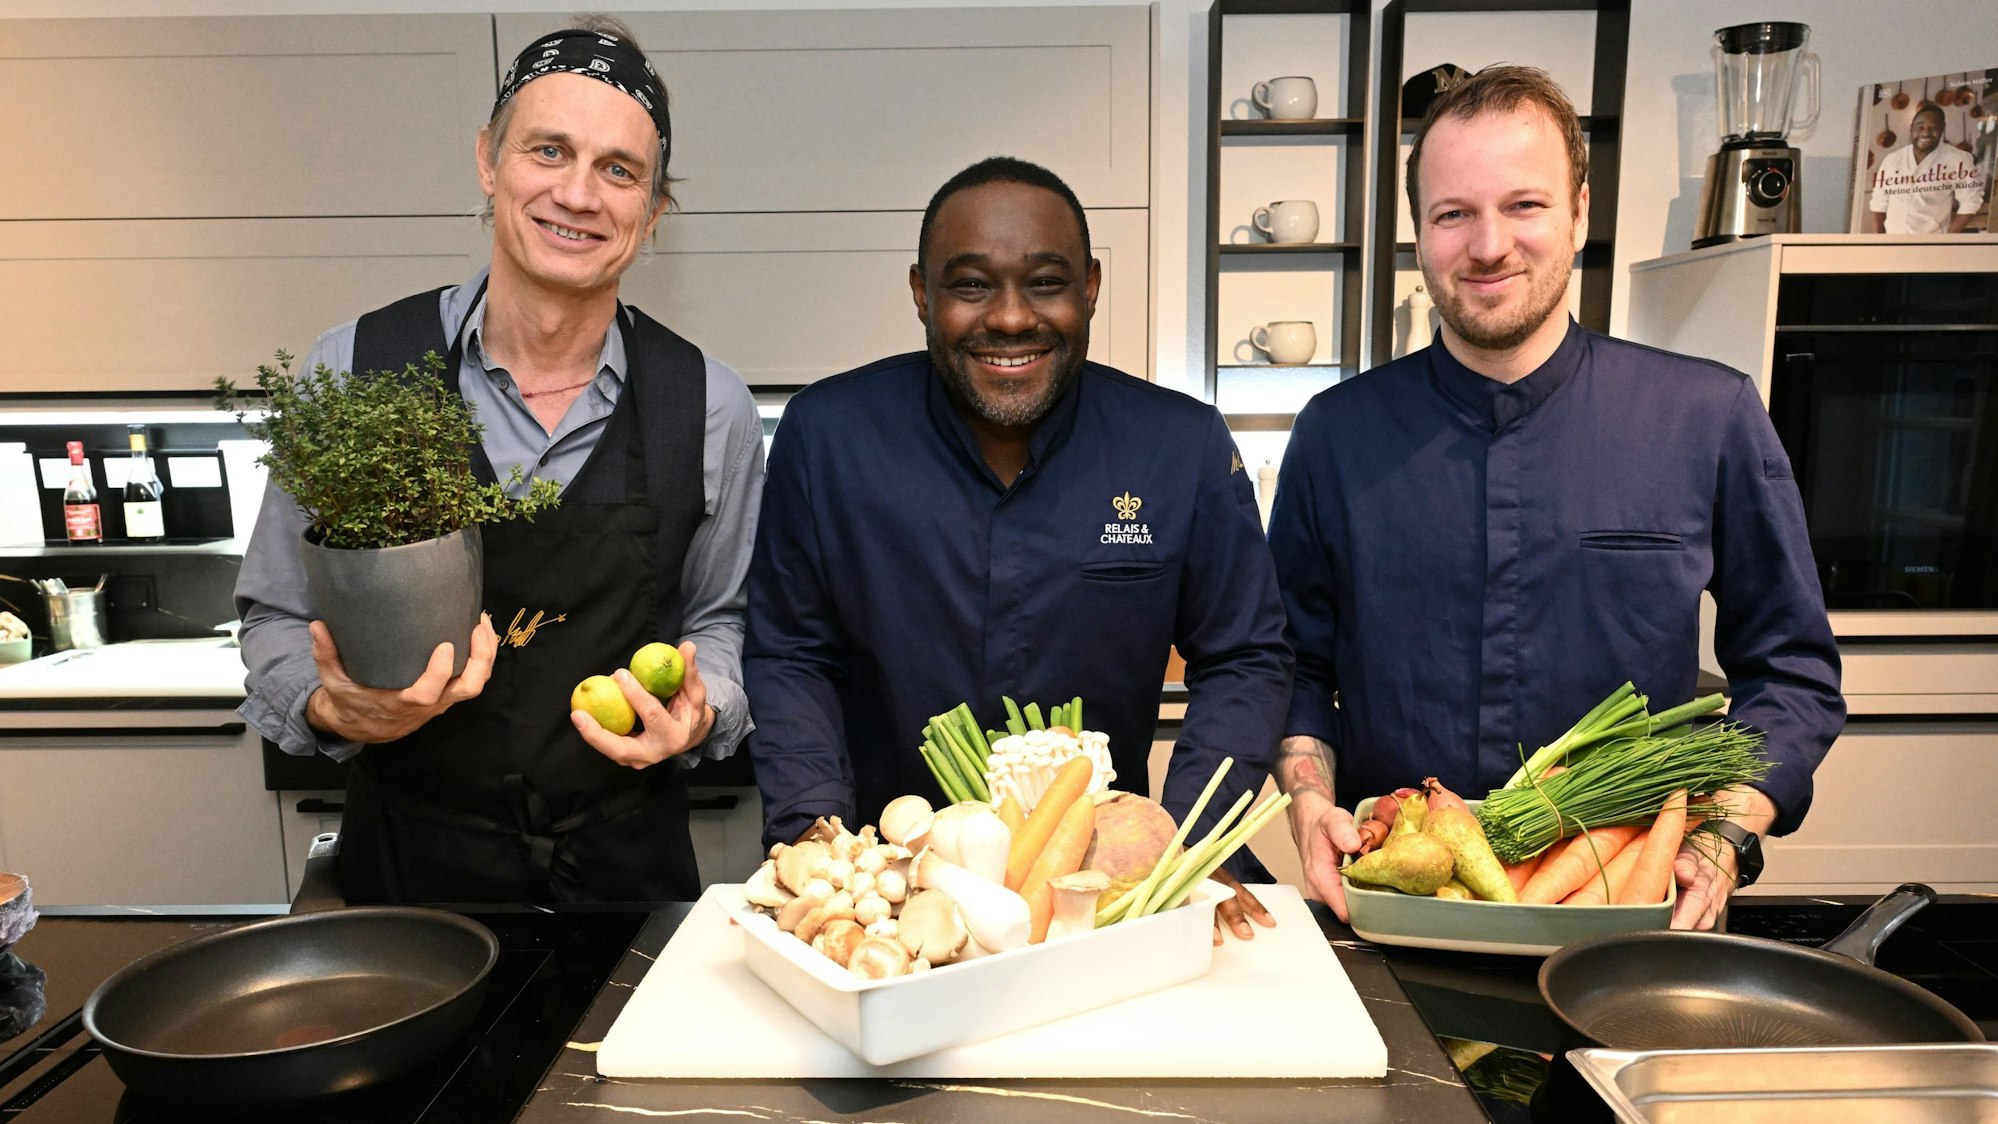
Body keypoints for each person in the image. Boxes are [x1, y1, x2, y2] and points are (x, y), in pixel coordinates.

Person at [1266, 66, 1844, 931]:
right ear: (1418, 235)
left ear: (1578, 213)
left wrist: (1723, 835)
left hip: (1629, 907)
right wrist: (1310, 806)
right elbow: (1295, 669)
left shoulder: (1705, 416)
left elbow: (1791, 673)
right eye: (1453, 213)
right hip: (1397, 902)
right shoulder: (1334, 437)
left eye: (1524, 205)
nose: (1488, 244)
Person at [236, 17, 764, 904]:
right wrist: (333, 709)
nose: (579, 194)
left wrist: (701, 707)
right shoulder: (354, 370)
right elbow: (275, 616)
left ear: (654, 209)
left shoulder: (711, 407)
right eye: (548, 150)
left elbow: (722, 621)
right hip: (405, 878)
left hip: (627, 879)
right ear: (488, 159)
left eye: (619, 170)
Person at [744, 157, 1293, 938]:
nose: (1008, 318)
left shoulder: (1178, 445)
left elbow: (1244, 655)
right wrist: (814, 837)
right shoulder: (827, 437)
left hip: (1100, 897)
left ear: (1091, 286)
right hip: (889, 894)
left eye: (1044, 282)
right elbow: (791, 652)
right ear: (920, 294)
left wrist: (1190, 845)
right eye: (970, 285)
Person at [1869, 102, 1983, 234]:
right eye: (1920, 127)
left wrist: (1948, 237)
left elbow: (1971, 200)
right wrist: (1878, 239)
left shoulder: (1957, 159)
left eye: (1933, 128)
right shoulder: (1892, 159)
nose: (1926, 133)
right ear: (1911, 128)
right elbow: (1879, 201)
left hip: (1931, 243)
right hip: (1893, 240)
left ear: (1942, 129)